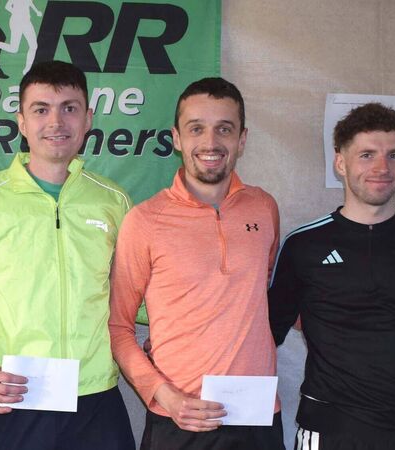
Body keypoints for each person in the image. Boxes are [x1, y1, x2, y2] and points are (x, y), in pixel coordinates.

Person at [0, 60, 135, 450]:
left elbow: (138, 298)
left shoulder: (114, 201)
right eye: (41, 109)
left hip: (94, 397)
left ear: (88, 119)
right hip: (12, 394)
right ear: (21, 122)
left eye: (69, 108)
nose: (56, 122)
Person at [269, 103, 395, 450]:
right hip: (328, 432)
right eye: (366, 155)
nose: (382, 168)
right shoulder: (303, 245)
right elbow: (263, 334)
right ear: (341, 163)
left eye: (394, 155)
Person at [109, 77, 284, 450]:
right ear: (176, 138)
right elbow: (118, 327)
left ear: (242, 139)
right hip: (180, 420)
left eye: (224, 129)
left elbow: (263, 295)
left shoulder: (264, 208)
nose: (210, 142)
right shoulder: (145, 220)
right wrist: (165, 395)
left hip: (257, 418)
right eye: (196, 129)